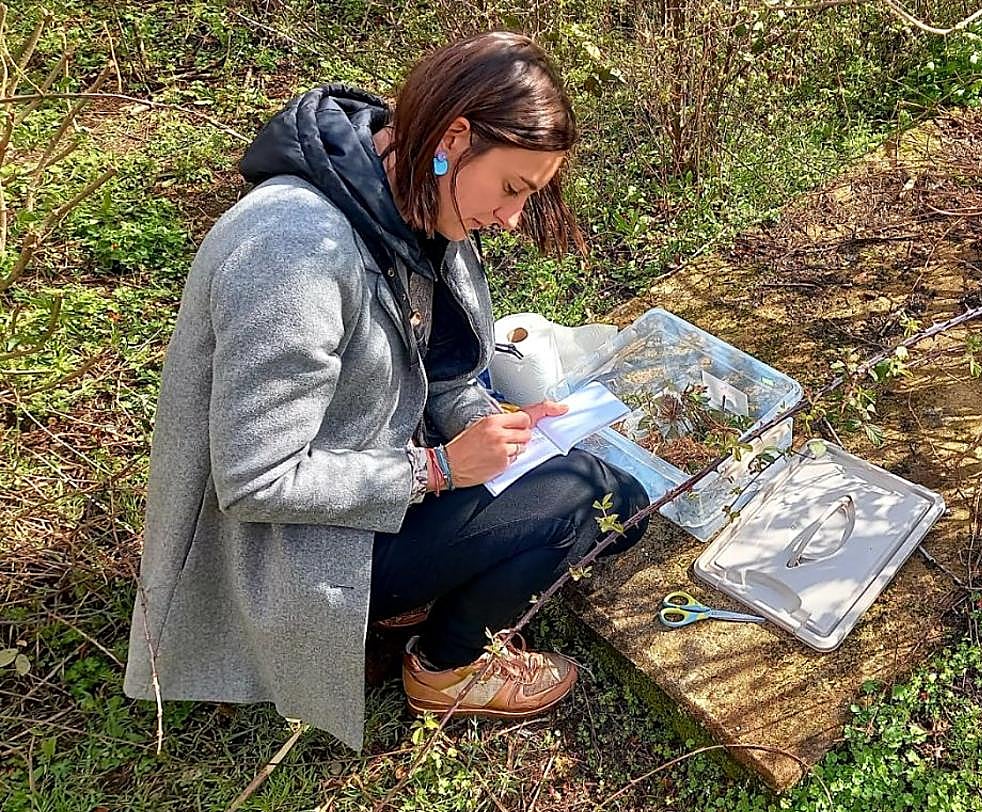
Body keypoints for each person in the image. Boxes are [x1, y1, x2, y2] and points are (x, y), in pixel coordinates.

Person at [123, 31, 650, 750]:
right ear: (455, 136)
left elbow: (450, 370)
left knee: (624, 502)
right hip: (291, 551)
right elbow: (253, 480)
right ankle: (443, 669)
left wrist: (499, 426)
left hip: (373, 486)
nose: (512, 219)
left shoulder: (419, 193)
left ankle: (409, 600)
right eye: (513, 189)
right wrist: (436, 470)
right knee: (590, 497)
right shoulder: (292, 253)